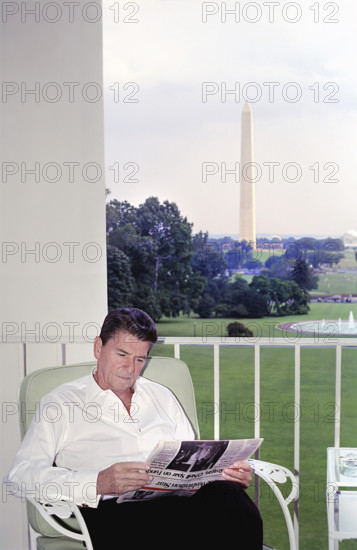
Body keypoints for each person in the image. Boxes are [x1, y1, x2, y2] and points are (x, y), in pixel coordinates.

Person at [4, 308, 263, 548]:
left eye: (140, 359)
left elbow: (190, 463)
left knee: (229, 496)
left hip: (177, 507)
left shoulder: (162, 396)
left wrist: (224, 475)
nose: (130, 369)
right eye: (122, 355)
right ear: (98, 347)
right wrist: (97, 482)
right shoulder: (61, 403)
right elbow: (20, 477)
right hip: (114, 513)